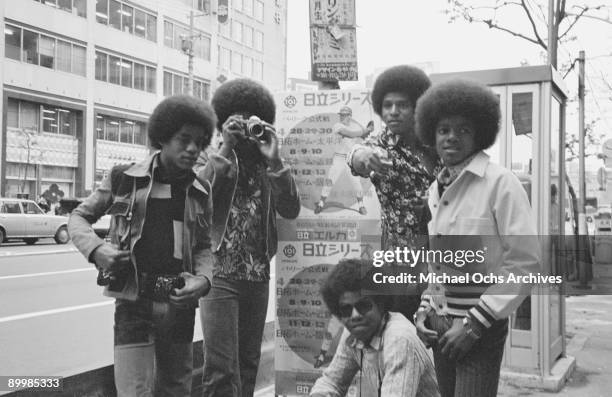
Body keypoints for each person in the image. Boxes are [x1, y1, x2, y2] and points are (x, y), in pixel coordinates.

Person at [68, 95, 216, 396]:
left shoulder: (201, 190)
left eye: (199, 143)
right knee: (133, 390)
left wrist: (203, 279)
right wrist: (97, 250)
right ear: (162, 137)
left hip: (179, 305)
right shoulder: (124, 178)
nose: (192, 149)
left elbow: (203, 245)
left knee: (176, 390)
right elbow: (78, 218)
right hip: (133, 305)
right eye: (183, 139)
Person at [413, 79, 540, 397]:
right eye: (443, 129)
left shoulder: (501, 182)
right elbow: (438, 263)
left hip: (479, 326)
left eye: (463, 129)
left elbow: (525, 263)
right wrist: (426, 309)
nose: (451, 137)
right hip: (441, 323)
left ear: (480, 133)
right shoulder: (437, 187)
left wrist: (473, 324)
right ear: (432, 133)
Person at [196, 78, 300, 397]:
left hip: (256, 275)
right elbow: (196, 198)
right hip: (220, 274)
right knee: (220, 368)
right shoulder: (212, 156)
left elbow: (291, 208)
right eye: (235, 120)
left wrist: (275, 160)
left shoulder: (267, 162)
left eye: (250, 120)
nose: (243, 128)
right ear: (223, 121)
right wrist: (225, 147)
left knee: (249, 363)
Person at [347, 65, 441, 320]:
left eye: (402, 105)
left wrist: (433, 206)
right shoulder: (379, 145)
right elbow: (355, 156)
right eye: (387, 105)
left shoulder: (439, 143)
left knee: (441, 335)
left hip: (443, 256)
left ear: (418, 107)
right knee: (401, 335)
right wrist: (363, 157)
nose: (393, 112)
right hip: (400, 262)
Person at [310, 258, 440, 397]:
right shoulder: (353, 333)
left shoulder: (399, 339)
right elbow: (332, 382)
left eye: (363, 306)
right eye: (346, 310)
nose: (355, 316)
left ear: (380, 304)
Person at [314, 106, 374, 215]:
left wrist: (368, 131)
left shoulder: (355, 127)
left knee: (356, 183)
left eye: (345, 115)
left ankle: (361, 205)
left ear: (350, 116)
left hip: (350, 158)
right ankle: (321, 203)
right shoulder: (338, 126)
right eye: (341, 115)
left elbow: (362, 138)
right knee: (330, 180)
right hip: (338, 158)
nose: (342, 117)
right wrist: (365, 130)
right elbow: (349, 134)